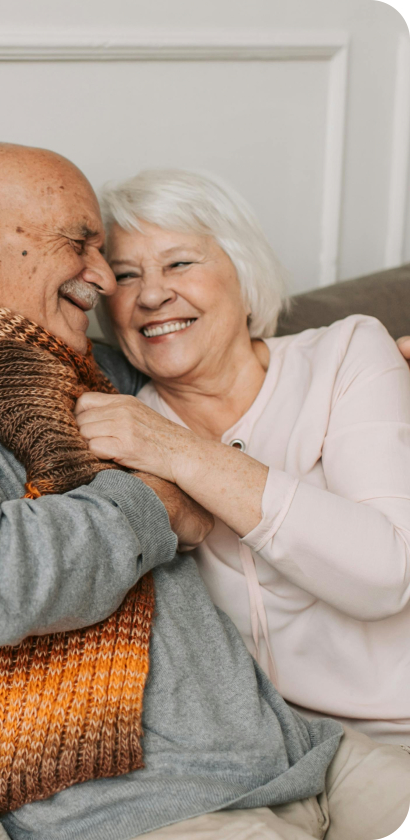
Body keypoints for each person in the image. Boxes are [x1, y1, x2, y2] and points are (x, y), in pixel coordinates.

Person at [0, 145, 409, 840]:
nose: (104, 282)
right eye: (84, 247)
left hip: (309, 759)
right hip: (155, 812)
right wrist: (156, 506)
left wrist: (379, 372)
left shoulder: (100, 373)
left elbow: (224, 354)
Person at [75, 167, 410, 751]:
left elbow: (383, 577)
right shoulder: (120, 431)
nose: (152, 295)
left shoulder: (346, 354)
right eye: (126, 277)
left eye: (180, 263)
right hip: (287, 758)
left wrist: (178, 452)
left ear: (241, 269)